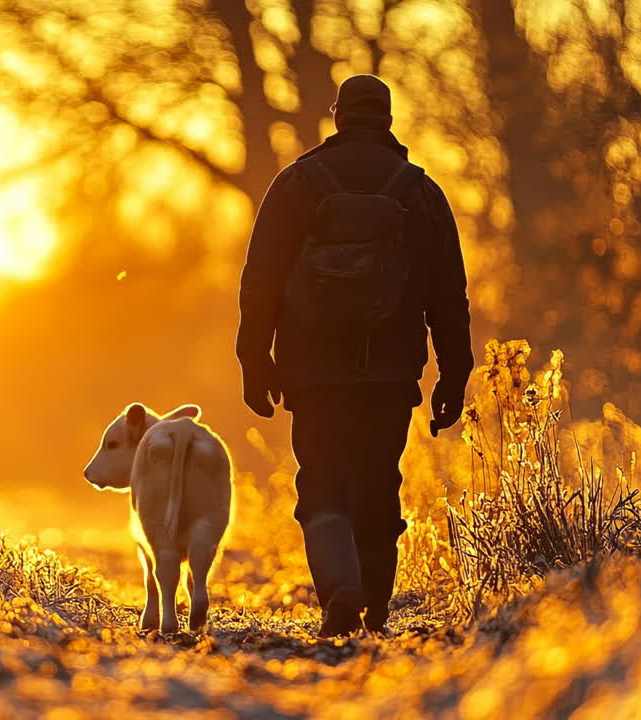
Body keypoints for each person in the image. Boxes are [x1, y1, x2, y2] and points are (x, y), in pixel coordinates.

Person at [235, 74, 474, 636]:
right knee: (377, 481)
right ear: (388, 120)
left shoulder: (295, 184)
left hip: (313, 372)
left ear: (338, 115)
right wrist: (454, 372)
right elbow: (448, 292)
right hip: (390, 373)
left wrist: (254, 360)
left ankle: (339, 591)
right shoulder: (420, 191)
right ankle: (375, 606)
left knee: (321, 480)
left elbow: (260, 281)